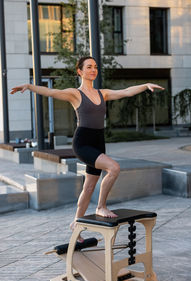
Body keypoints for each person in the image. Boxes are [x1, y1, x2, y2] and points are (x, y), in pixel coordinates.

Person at [10, 56, 164, 241]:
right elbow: (50, 92)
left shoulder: (102, 93)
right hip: (82, 142)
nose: (93, 70)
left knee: (89, 185)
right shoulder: (75, 94)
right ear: (80, 71)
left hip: (99, 140)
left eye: (95, 67)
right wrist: (29, 86)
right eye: (89, 67)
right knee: (114, 168)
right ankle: (101, 206)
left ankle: (76, 224)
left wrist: (145, 85)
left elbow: (126, 91)